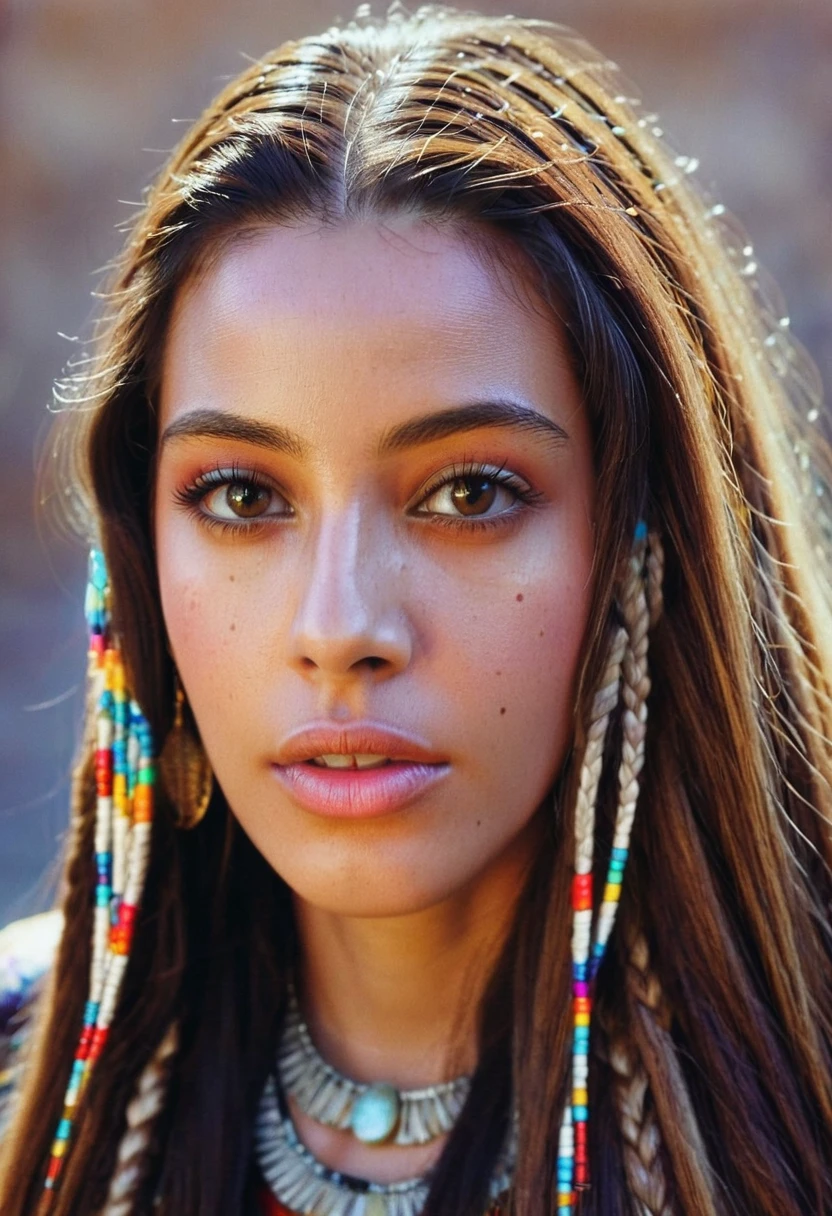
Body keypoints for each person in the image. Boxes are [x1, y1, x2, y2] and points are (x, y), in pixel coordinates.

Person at [1, 3, 831, 1213]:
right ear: (136, 546)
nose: (339, 626)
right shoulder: (25, 1105)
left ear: (641, 535)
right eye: (239, 494)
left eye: (467, 492)